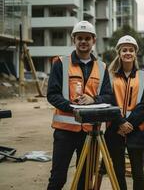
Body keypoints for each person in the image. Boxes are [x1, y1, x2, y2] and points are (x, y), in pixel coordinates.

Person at [47, 21, 118, 190]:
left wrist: (94, 99)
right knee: (58, 177)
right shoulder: (61, 64)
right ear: (74, 40)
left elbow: (109, 96)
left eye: (87, 38)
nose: (83, 41)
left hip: (90, 132)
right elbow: (52, 95)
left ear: (93, 41)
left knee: (85, 179)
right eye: (80, 38)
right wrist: (72, 106)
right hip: (64, 131)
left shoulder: (102, 68)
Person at [105, 35, 144, 190]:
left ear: (135, 53)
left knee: (138, 173)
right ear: (119, 53)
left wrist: (129, 123)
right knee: (118, 172)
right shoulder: (110, 76)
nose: (127, 53)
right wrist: (121, 122)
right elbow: (108, 100)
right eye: (124, 50)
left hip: (136, 130)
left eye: (131, 50)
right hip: (114, 130)